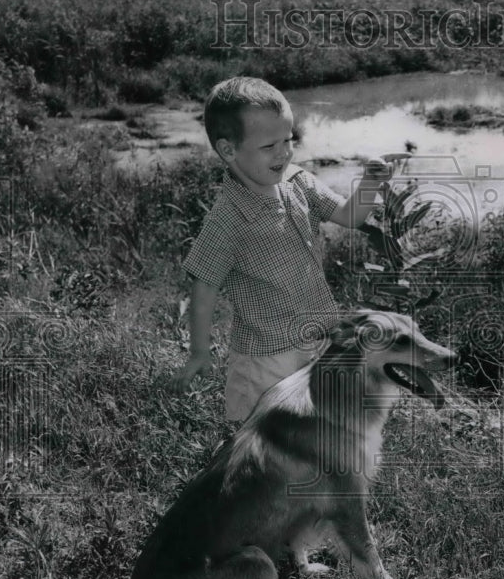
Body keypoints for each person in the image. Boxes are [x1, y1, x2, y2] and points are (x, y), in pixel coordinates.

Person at [168, 76, 394, 422]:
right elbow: (204, 283)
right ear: (229, 150)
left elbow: (349, 216)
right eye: (269, 146)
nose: (284, 153)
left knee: (314, 421)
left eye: (288, 140)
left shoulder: (298, 183)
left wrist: (371, 181)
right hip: (264, 355)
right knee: (260, 429)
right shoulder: (227, 219)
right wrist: (200, 351)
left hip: (316, 336)